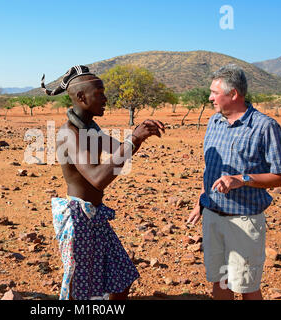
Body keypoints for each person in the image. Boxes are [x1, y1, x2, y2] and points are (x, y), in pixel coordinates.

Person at [43, 66, 165, 300]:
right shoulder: (69, 133)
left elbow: (116, 149)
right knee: (80, 289)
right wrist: (133, 139)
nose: (105, 98)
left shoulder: (89, 128)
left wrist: (139, 135)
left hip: (95, 216)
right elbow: (98, 178)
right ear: (81, 97)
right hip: (80, 218)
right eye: (99, 93)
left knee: (121, 278)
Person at [187, 65, 281, 300]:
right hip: (213, 216)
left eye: (215, 92)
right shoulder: (214, 122)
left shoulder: (265, 127)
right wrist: (201, 201)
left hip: (244, 221)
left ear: (233, 94)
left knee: (246, 286)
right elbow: (210, 168)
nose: (210, 97)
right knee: (220, 282)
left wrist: (243, 179)